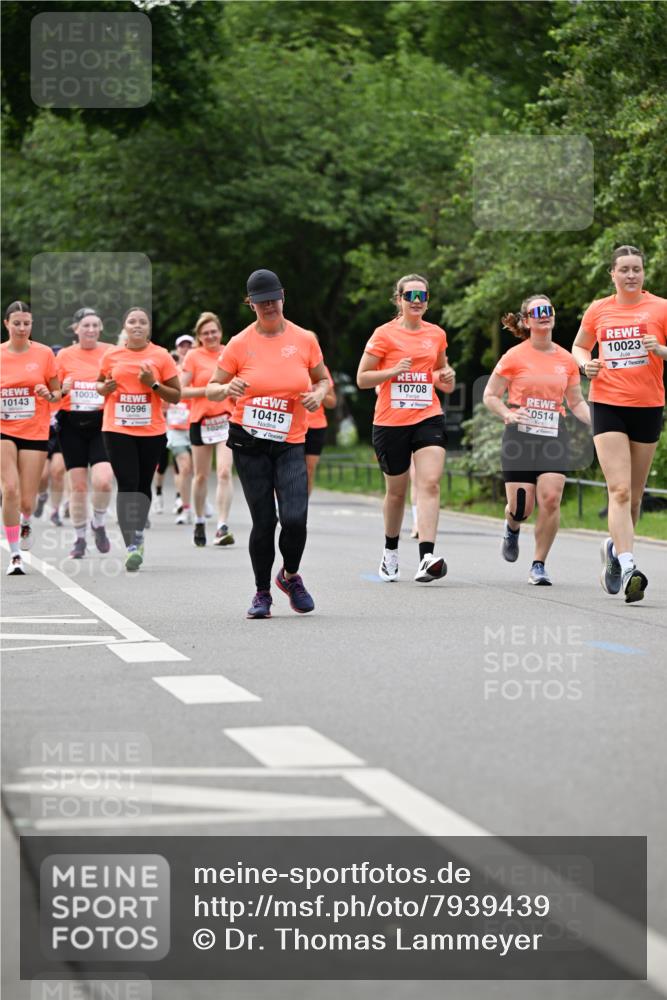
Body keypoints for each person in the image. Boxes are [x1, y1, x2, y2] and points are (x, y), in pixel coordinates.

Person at [206, 269, 329, 618]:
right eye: (261, 303)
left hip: (290, 440)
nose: (269, 307)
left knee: (295, 517)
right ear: (251, 304)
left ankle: (290, 576)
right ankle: (261, 593)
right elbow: (214, 386)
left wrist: (317, 395)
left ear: (283, 296)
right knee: (264, 521)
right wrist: (226, 389)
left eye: (273, 299)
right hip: (249, 441)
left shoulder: (304, 339)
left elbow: (321, 380)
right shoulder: (239, 344)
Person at [572, 245, 667, 603]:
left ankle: (614, 550)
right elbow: (579, 346)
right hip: (608, 404)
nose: (631, 275)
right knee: (620, 491)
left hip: (647, 405)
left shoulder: (660, 307)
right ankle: (629, 566)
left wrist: (661, 351)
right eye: (624, 269)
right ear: (612, 274)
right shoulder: (599, 309)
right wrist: (585, 365)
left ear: (644, 273)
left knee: (636, 497)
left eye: (636, 269)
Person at [483, 294, 591, 585]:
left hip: (554, 434)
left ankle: (539, 564)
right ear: (527, 321)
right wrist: (507, 413)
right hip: (519, 434)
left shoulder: (566, 359)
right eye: (537, 311)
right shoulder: (514, 356)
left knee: (551, 499)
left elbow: (576, 402)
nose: (544, 315)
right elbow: (490, 396)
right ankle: (512, 525)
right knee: (522, 507)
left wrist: (598, 422)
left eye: (548, 309)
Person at [357, 273, 456, 583]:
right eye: (410, 296)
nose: (417, 302)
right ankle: (390, 551)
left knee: (429, 483)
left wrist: (446, 378)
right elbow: (362, 378)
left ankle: (427, 556)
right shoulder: (383, 335)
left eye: (422, 297)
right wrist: (391, 371)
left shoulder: (436, 334)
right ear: (398, 300)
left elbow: (440, 373)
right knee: (396, 492)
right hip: (390, 421)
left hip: (427, 415)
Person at [97, 306, 180, 572]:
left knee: (143, 485)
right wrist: (104, 388)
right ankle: (131, 543)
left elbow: (176, 395)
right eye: (131, 321)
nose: (137, 325)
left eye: (142, 322)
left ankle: (138, 533)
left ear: (149, 328)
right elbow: (99, 384)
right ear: (124, 327)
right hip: (117, 428)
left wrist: (152, 384)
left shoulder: (161, 356)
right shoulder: (112, 355)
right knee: (128, 483)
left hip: (151, 431)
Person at [1, 301, 61, 575]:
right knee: (9, 490)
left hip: (35, 430)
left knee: (27, 500)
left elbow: (57, 393)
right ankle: (14, 555)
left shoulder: (45, 354)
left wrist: (49, 395)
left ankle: (26, 519)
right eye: (17, 323)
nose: (22, 328)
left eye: (27, 323)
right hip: (4, 429)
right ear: (6, 325)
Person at [55, 308, 113, 558]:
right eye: (86, 325)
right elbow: (53, 392)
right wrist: (63, 390)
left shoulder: (110, 352)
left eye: (95, 325)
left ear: (100, 328)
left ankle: (98, 523)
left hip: (102, 422)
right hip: (72, 424)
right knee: (78, 486)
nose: (90, 330)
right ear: (75, 329)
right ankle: (79, 539)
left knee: (103, 480)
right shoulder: (64, 356)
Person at [181, 311, 235, 547]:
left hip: (227, 419)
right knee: (201, 475)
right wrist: (210, 391)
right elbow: (181, 391)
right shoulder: (193, 356)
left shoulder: (230, 352)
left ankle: (222, 525)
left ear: (220, 332)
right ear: (199, 337)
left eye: (214, 331)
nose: (210, 336)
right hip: (201, 421)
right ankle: (200, 519)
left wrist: (230, 391)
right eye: (205, 333)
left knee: (224, 472)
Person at [304, 361, 336, 495]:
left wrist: (320, 393)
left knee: (309, 470)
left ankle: (301, 508)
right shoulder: (289, 366)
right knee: (286, 468)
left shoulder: (322, 370)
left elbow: (332, 402)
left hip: (316, 425)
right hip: (292, 425)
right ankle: (278, 505)